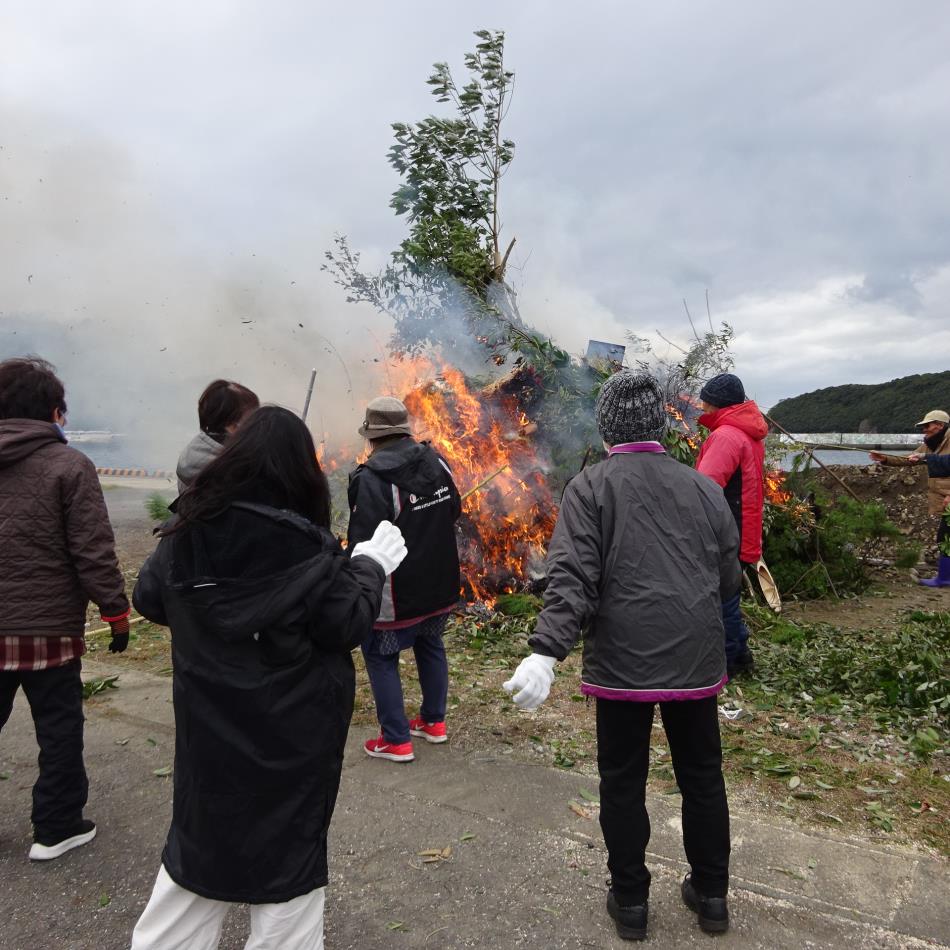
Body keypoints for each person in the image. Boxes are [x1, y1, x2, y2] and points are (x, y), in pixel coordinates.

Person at [129, 406, 406, 950]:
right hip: (290, 748)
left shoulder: (184, 536)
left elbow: (148, 599)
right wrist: (370, 565)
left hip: (209, 741)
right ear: (301, 472)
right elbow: (343, 622)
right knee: (287, 889)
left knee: (192, 870)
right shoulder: (308, 549)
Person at [503, 371, 741, 941]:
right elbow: (728, 577)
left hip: (623, 662)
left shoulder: (590, 487)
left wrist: (546, 653)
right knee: (703, 779)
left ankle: (631, 902)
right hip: (695, 660)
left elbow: (572, 580)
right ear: (660, 426)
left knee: (623, 780)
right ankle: (712, 898)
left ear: (608, 428)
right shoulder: (703, 487)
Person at [0, 357, 130, 861]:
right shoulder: (70, 466)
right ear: (55, 412)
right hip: (47, 631)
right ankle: (56, 828)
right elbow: (92, 550)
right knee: (58, 727)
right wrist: (116, 612)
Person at [347, 396, 462, 763]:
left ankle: (396, 740)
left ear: (372, 438)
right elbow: (455, 509)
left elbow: (364, 542)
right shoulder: (437, 461)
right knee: (430, 643)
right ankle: (433, 722)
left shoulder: (371, 478)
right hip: (440, 583)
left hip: (396, 592)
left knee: (380, 656)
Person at [695, 372, 768, 676]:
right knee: (728, 596)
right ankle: (738, 656)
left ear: (717, 404)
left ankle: (730, 662)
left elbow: (705, 488)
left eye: (705, 402)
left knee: (719, 600)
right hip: (742, 527)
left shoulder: (726, 436)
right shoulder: (748, 433)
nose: (701, 407)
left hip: (723, 531)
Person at [870, 409, 950, 587]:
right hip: (944, 498)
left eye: (927, 426)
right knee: (945, 536)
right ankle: (945, 577)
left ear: (940, 425)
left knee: (945, 536)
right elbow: (909, 459)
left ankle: (945, 578)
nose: (924, 430)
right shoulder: (931, 444)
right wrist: (885, 459)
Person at [176, 379, 259, 492]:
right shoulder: (232, 468)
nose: (258, 423)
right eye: (253, 416)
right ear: (232, 426)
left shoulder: (193, 452)